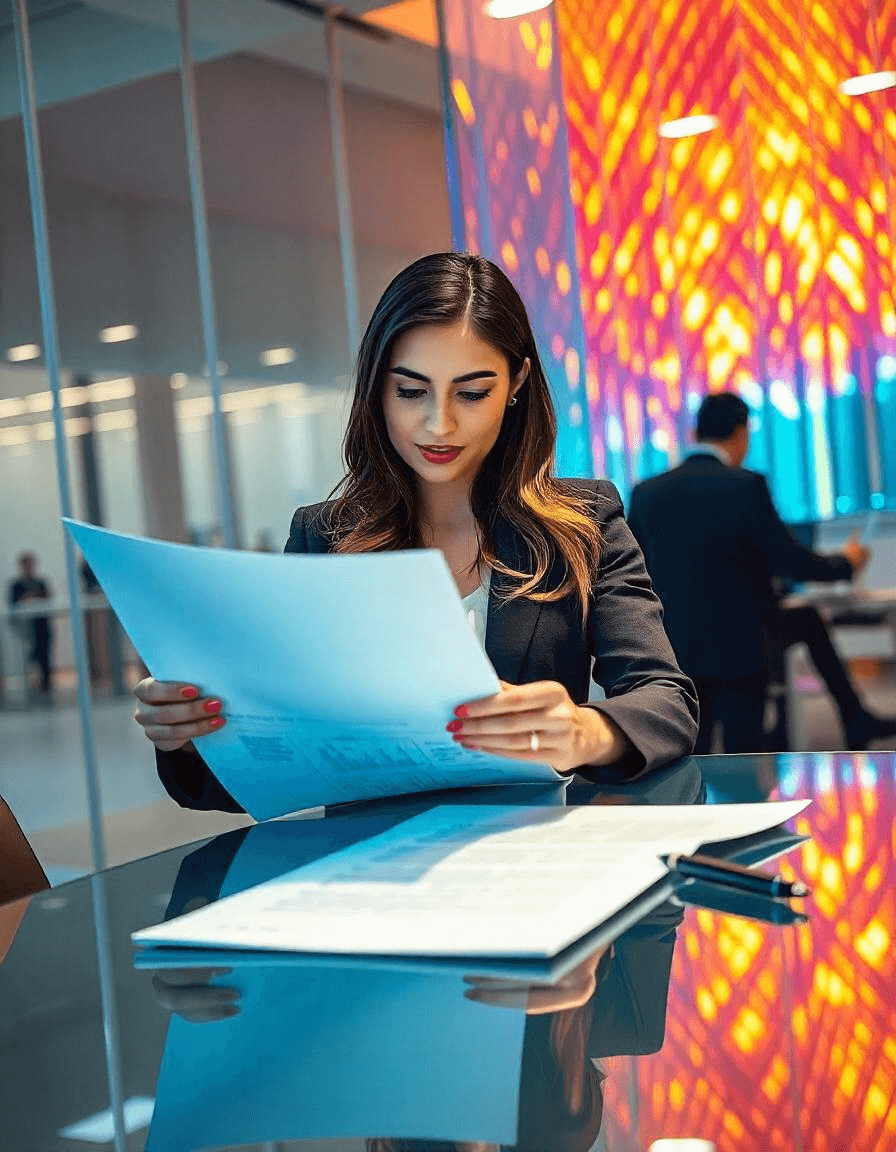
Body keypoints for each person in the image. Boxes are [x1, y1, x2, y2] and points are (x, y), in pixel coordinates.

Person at [134, 252, 698, 811]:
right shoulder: (323, 539)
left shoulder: (583, 521)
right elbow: (258, 768)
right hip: (370, 871)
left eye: (472, 393)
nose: (439, 424)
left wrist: (584, 730)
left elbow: (667, 702)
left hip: (530, 861)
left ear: (517, 382)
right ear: (378, 388)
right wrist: (188, 736)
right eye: (411, 391)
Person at [627, 392, 896, 752]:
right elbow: (792, 561)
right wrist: (846, 562)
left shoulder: (646, 493)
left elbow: (634, 574)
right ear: (742, 433)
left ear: (695, 433)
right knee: (744, 758)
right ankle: (851, 718)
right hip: (741, 648)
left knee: (692, 756)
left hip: (675, 650)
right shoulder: (746, 486)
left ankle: (847, 717)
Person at [7, 552, 53, 697]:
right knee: (28, 657)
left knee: (44, 655)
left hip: (41, 625)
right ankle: (30, 684)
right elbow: (12, 604)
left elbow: (48, 598)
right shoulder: (15, 585)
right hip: (24, 628)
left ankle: (46, 684)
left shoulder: (41, 582)